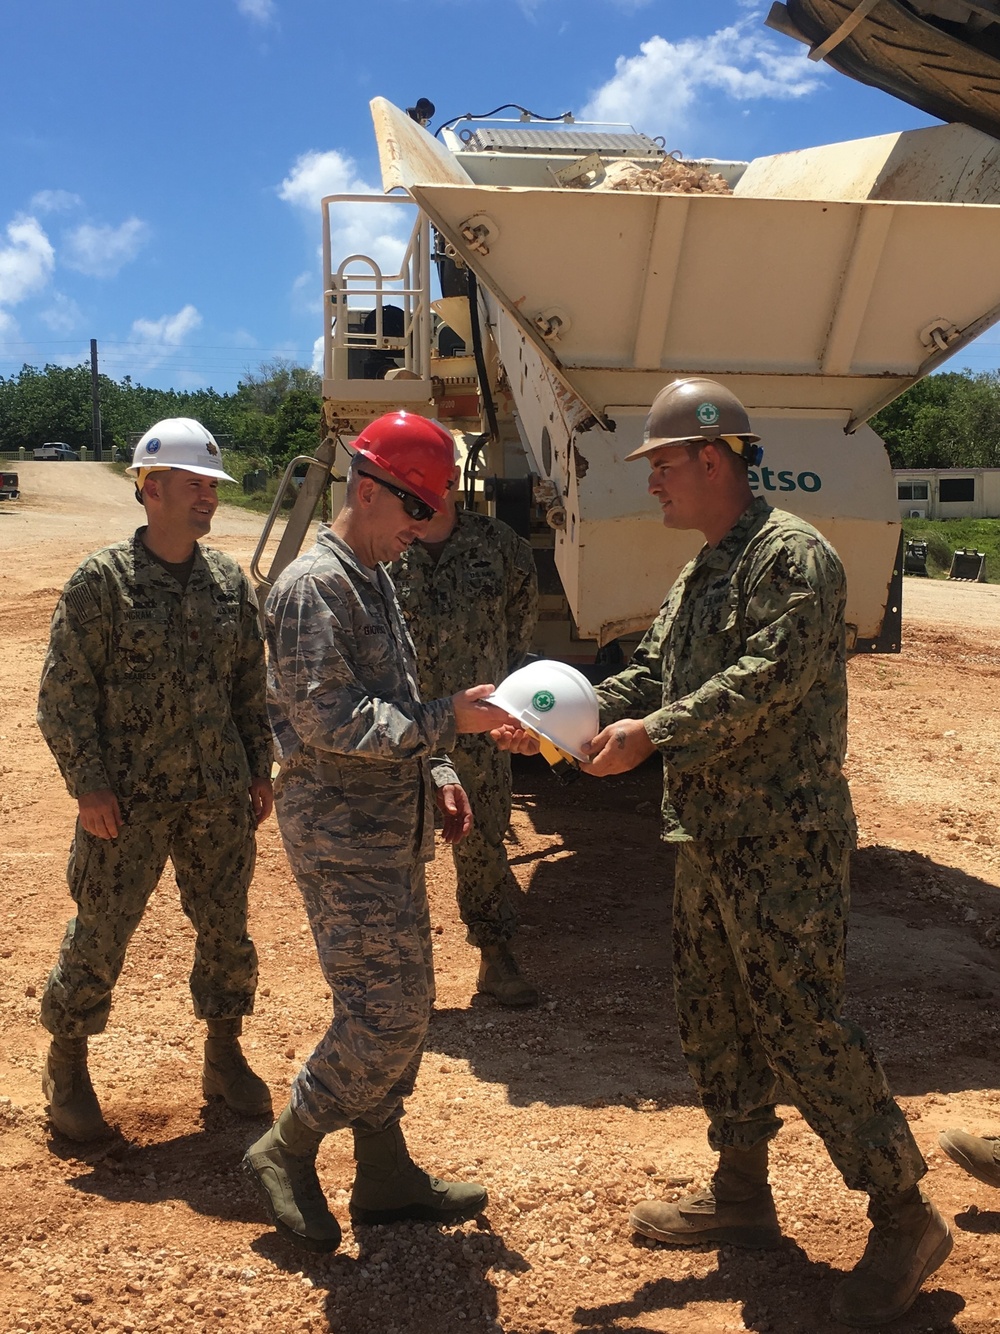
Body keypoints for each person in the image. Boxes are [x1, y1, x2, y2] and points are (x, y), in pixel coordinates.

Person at [496, 377, 951, 1327]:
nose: (652, 484)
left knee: (800, 1024)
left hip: (783, 840)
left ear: (713, 458)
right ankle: (742, 1193)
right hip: (708, 834)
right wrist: (551, 720)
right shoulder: (703, 569)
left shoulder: (796, 558)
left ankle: (905, 1217)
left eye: (661, 466)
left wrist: (653, 734)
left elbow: (765, 680)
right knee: (716, 1015)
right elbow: (650, 672)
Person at [244, 411, 516, 1254]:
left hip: (388, 828)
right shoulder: (310, 588)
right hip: (339, 834)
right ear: (367, 490)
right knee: (384, 1014)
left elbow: (391, 688)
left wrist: (437, 771)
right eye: (414, 512)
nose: (418, 530)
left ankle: (385, 1171)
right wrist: (449, 725)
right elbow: (328, 718)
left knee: (406, 1004)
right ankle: (284, 1148)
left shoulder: (371, 577)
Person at [37, 417, 274, 1141]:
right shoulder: (101, 583)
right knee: (102, 929)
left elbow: (248, 687)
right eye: (196, 485)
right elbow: (64, 693)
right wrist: (89, 786)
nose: (208, 497)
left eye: (212, 486)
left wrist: (258, 770)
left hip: (217, 798)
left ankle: (224, 1054)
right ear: (153, 488)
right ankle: (68, 1060)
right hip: (127, 804)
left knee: (226, 931)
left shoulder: (229, 581)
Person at [391, 462, 539, 1006]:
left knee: (484, 841)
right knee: (397, 847)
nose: (425, 494)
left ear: (451, 481)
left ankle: (496, 956)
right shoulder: (382, 549)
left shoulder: (500, 548)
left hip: (478, 727)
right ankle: (405, 978)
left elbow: (517, 635)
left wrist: (503, 703)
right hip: (400, 726)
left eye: (435, 481)